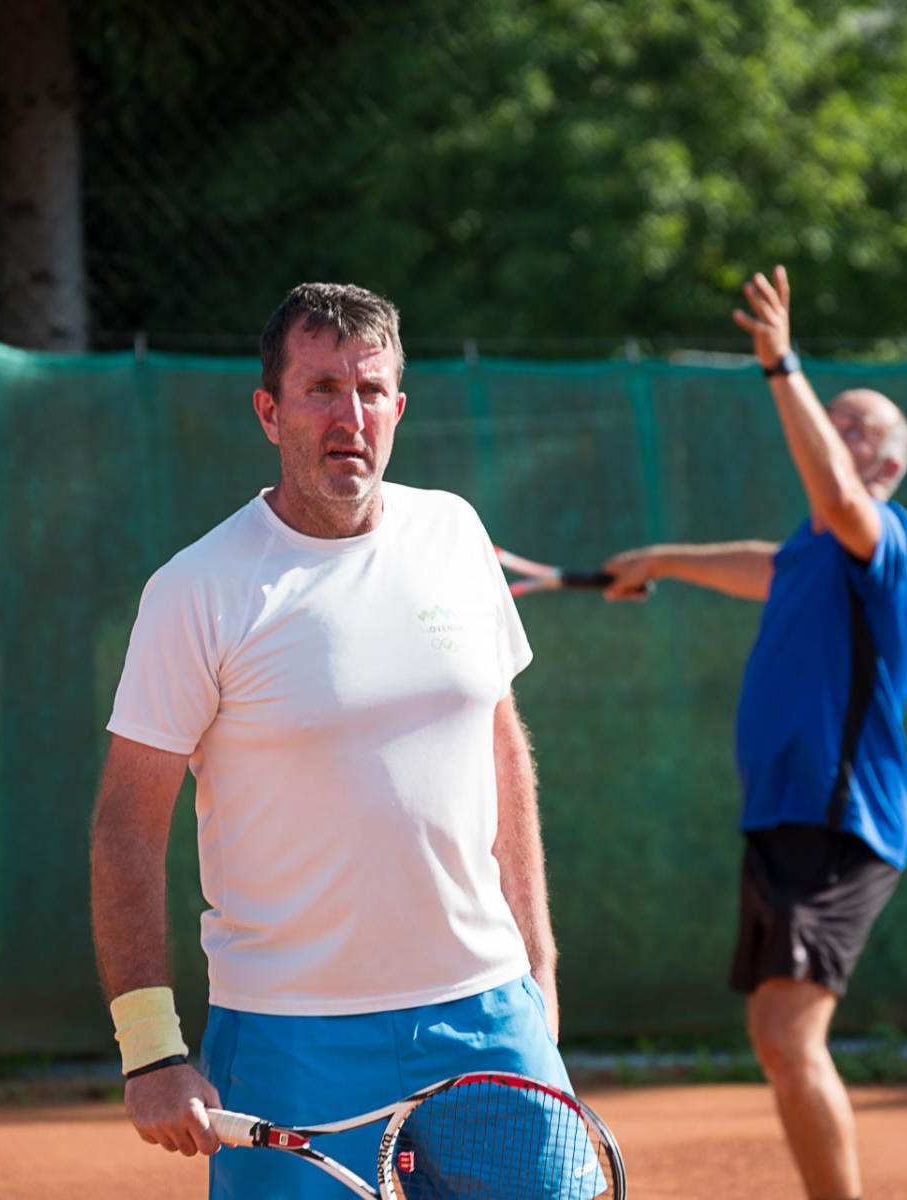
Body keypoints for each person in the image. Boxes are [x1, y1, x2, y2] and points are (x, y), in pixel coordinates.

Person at [90, 282, 568, 1200]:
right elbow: (125, 825)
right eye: (320, 390)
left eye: (369, 390)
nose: (349, 416)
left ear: (397, 408)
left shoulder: (455, 532)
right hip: (287, 1038)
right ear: (270, 412)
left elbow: (500, 747)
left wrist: (537, 967)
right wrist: (151, 1050)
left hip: (486, 1016)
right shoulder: (197, 589)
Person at [601, 266, 907, 1200]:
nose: (836, 427)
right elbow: (768, 566)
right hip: (786, 816)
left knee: (788, 1038)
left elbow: (836, 500)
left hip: (838, 820)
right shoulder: (814, 553)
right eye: (837, 417)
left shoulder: (884, 536)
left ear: (887, 467)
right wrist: (663, 558)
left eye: (855, 426)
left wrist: (783, 367)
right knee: (776, 1038)